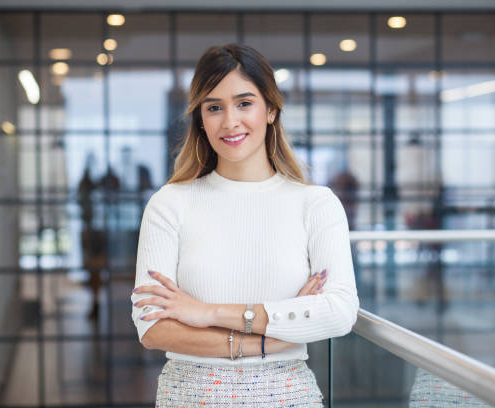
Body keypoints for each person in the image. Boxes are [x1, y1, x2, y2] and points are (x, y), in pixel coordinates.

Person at [130, 44, 359, 407]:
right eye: (214, 107)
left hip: (288, 397)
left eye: (244, 103)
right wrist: (272, 338)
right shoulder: (169, 203)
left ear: (270, 109)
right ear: (200, 119)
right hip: (190, 397)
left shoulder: (316, 204)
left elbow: (339, 312)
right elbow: (153, 328)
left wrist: (207, 313)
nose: (230, 121)